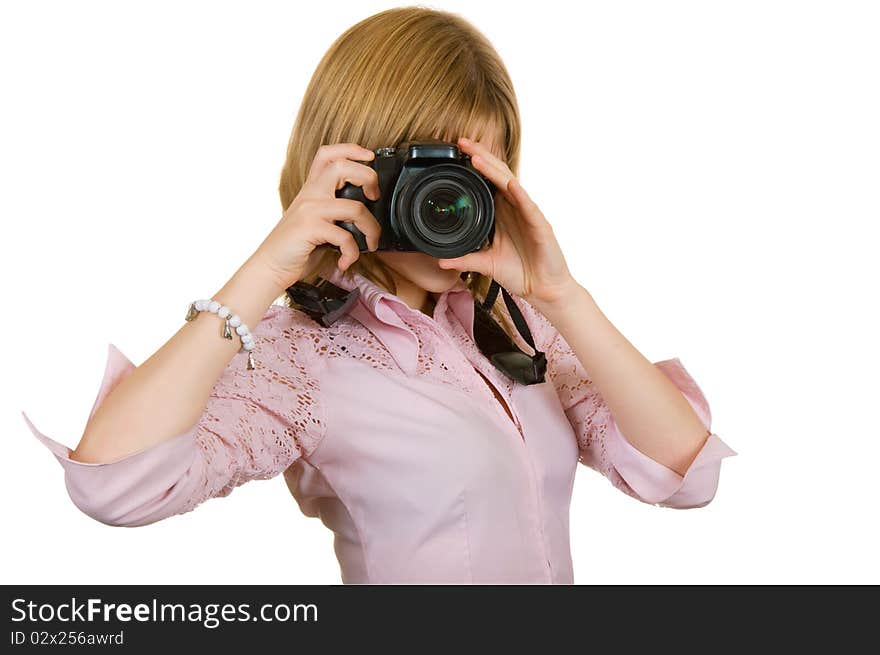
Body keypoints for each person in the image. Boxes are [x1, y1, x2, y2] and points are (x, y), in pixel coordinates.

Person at [21, 6, 736, 584]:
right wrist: (267, 266)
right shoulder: (302, 356)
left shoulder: (521, 330)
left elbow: (685, 473)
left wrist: (563, 294)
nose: (447, 204)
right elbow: (112, 485)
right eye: (421, 171)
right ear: (353, 165)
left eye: (473, 174)